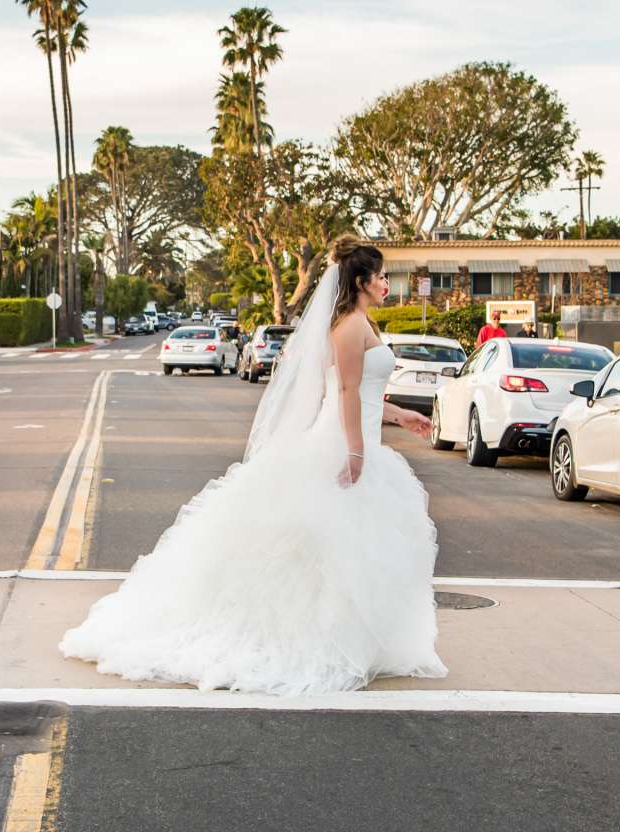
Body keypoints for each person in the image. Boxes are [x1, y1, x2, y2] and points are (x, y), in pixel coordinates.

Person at [61, 237, 447, 694]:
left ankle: (354, 641)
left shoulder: (364, 323)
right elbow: (341, 393)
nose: (387, 283)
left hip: (359, 441)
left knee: (354, 551)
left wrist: (401, 415)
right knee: (330, 548)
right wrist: (356, 450)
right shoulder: (347, 326)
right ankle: (309, 640)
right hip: (341, 445)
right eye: (381, 276)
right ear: (361, 281)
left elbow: (362, 395)